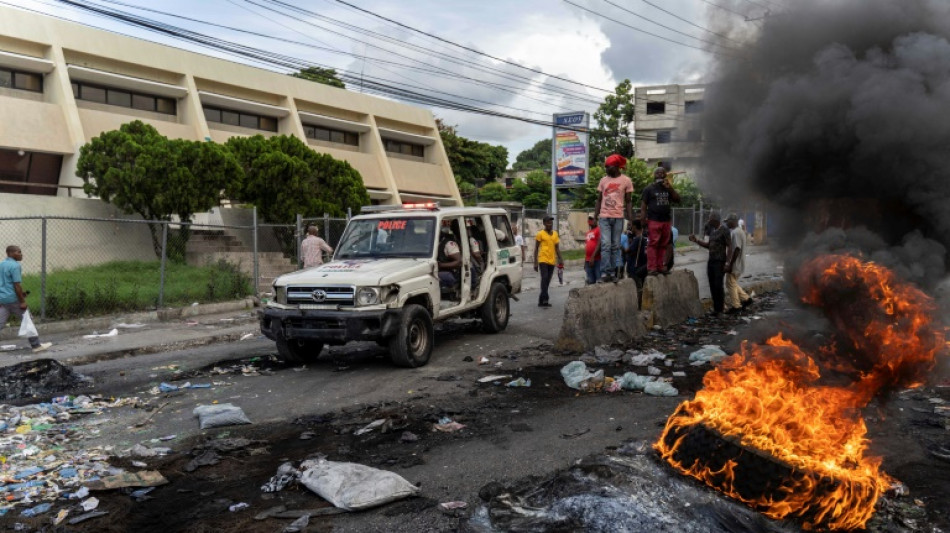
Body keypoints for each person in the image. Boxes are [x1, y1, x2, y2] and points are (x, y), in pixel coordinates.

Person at [0, 246, 51, 353]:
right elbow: (16, 285)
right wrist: (22, 301)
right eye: (19, 252)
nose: (21, 254)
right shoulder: (15, 266)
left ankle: (36, 345)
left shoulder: (2, 264)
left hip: (3, 298)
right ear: (11, 253)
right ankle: (36, 345)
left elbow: (5, 284)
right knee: (28, 320)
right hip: (14, 300)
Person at [594, 154, 634, 282]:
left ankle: (613, 273)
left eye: (608, 167)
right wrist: (595, 216)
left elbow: (628, 201)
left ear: (616, 167)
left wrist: (631, 219)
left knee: (615, 246)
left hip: (618, 217)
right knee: (606, 244)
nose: (606, 169)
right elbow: (599, 199)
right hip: (604, 217)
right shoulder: (603, 181)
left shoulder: (626, 181)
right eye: (605, 167)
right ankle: (606, 272)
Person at [640, 166, 681, 276]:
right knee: (653, 244)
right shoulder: (649, 189)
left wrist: (670, 188)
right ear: (654, 175)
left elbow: (678, 200)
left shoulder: (668, 188)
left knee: (663, 244)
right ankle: (652, 268)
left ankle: (660, 266)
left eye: (662, 173)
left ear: (665, 175)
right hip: (654, 220)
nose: (660, 174)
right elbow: (643, 206)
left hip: (666, 221)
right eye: (657, 173)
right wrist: (643, 219)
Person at [689, 213, 730, 315]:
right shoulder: (712, 231)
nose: (708, 221)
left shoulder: (724, 230)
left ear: (715, 220)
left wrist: (728, 263)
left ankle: (720, 309)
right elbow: (709, 245)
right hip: (711, 260)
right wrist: (696, 241)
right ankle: (716, 309)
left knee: (718, 285)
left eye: (710, 219)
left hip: (720, 261)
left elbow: (730, 246)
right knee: (712, 284)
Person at [724, 213, 753, 313]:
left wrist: (730, 264)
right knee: (732, 283)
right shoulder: (740, 231)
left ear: (733, 221)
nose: (726, 223)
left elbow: (736, 249)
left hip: (736, 264)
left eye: (727, 221)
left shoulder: (736, 232)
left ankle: (736, 306)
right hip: (739, 263)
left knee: (730, 283)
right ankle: (746, 299)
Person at [533, 216, 562, 308]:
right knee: (544, 277)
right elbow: (536, 248)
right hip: (543, 259)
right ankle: (545, 299)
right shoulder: (540, 234)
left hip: (552, 260)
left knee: (547, 280)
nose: (550, 224)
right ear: (544, 223)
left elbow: (557, 248)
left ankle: (541, 299)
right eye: (548, 223)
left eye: (551, 223)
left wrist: (561, 259)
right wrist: (535, 262)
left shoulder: (555, 234)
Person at [437, 220, 462, 292]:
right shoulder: (431, 243)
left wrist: (441, 265)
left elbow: (458, 261)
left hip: (449, 272)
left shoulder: (449, 243)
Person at [625, 219, 648, 290]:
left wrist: (620, 247)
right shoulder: (644, 237)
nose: (630, 228)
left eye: (631, 226)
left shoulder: (637, 238)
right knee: (642, 286)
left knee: (637, 288)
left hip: (635, 269)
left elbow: (628, 250)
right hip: (643, 267)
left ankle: (639, 300)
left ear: (634, 226)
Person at [583, 216, 601, 285]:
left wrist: (593, 257)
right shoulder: (587, 233)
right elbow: (587, 247)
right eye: (590, 220)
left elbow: (599, 244)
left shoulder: (599, 230)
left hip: (597, 259)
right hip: (588, 260)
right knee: (590, 280)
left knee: (599, 279)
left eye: (593, 219)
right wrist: (585, 261)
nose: (592, 221)